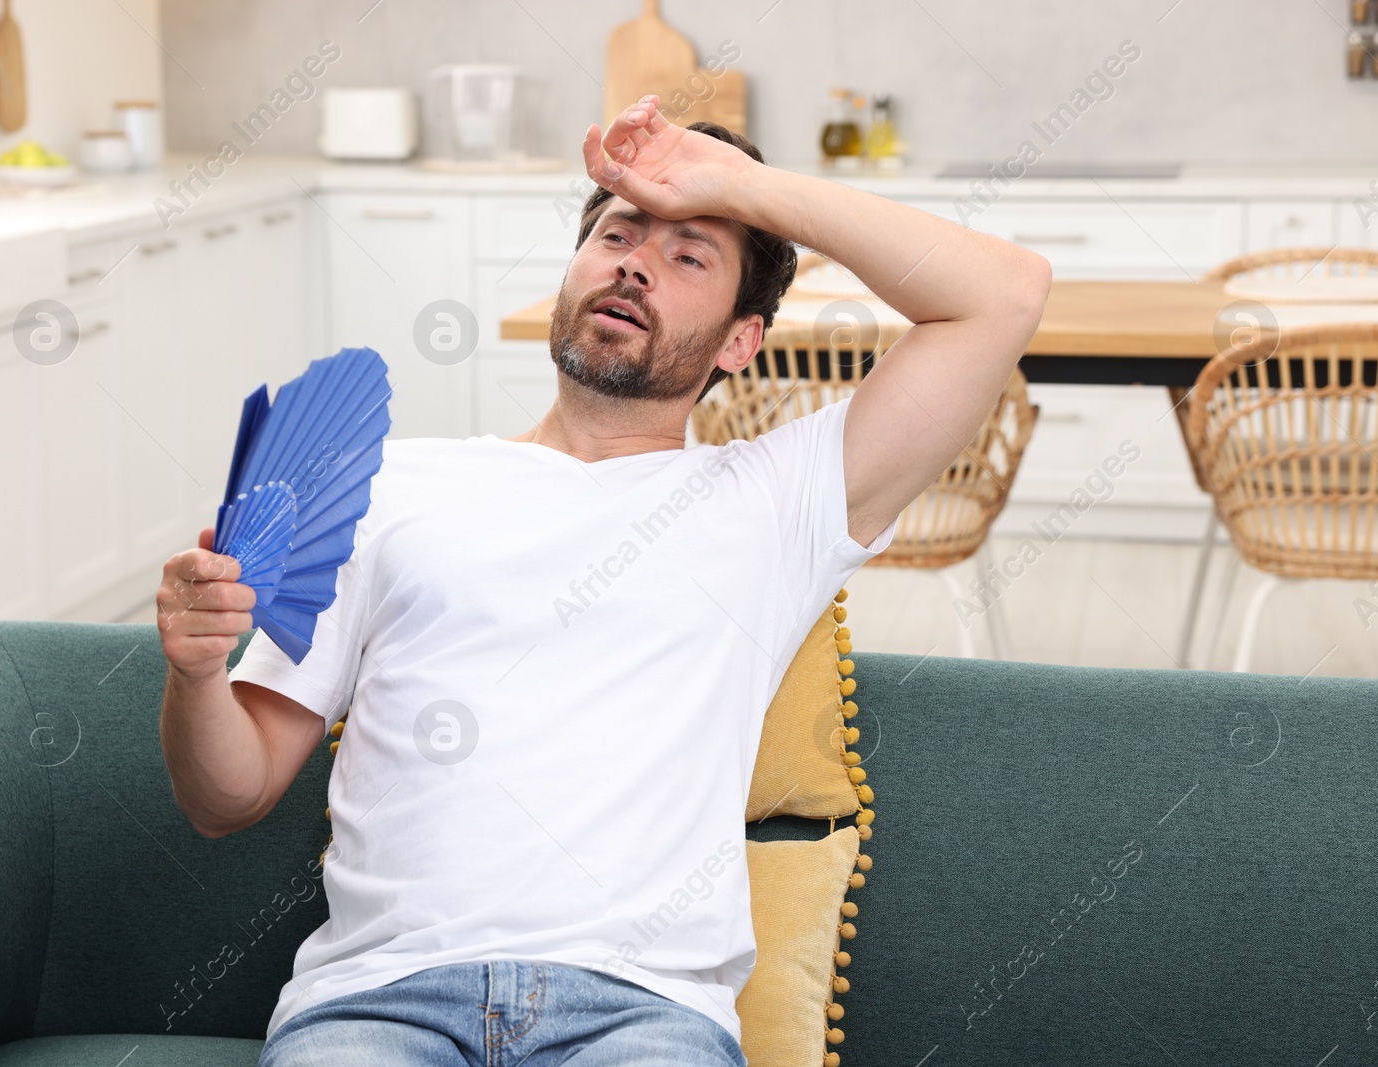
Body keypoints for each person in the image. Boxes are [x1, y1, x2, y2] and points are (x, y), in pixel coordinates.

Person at [156, 95, 1050, 1067]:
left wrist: (736, 183)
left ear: (741, 341)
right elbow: (226, 795)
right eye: (618, 234)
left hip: (640, 1017)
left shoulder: (778, 503)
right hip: (377, 1007)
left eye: (689, 255)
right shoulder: (387, 489)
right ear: (568, 276)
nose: (634, 261)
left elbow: (1002, 293)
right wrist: (196, 671)